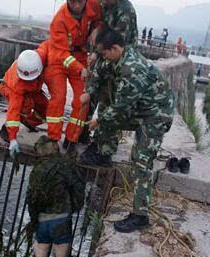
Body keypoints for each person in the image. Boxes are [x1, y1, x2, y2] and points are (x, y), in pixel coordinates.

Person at [79, 28, 174, 232]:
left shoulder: (132, 70)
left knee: (140, 162)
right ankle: (103, 154)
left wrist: (97, 121)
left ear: (114, 48)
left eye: (104, 53)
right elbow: (99, 71)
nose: (103, 57)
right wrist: (89, 92)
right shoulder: (115, 57)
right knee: (106, 109)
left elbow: (120, 109)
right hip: (140, 108)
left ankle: (140, 215)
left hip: (156, 115)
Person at [22, 135, 85, 257]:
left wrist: (34, 221)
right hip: (60, 222)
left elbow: (30, 198)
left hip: (42, 222)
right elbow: (79, 189)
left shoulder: (36, 171)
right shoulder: (65, 167)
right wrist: (72, 209)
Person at [44, 0, 101, 150]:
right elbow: (61, 53)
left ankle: (71, 139)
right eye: (73, 1)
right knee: (58, 97)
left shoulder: (94, 5)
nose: (77, 5)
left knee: (82, 100)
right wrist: (79, 68)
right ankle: (53, 137)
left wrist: (97, 30)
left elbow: (101, 20)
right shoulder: (59, 19)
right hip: (59, 58)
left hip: (81, 55)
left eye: (80, 2)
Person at [81, 0, 138, 145]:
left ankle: (103, 148)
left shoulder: (125, 10)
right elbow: (99, 34)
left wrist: (98, 55)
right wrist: (95, 53)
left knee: (109, 99)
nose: (103, 2)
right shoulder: (102, 5)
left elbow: (116, 44)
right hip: (104, 54)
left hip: (119, 58)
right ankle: (82, 131)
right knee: (90, 91)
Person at [0, 41, 50, 157]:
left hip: (34, 89)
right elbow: (13, 110)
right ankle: (7, 130)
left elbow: (51, 44)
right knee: (24, 106)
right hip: (7, 87)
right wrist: (12, 139)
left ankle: (29, 122)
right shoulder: (18, 85)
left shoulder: (40, 56)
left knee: (46, 109)